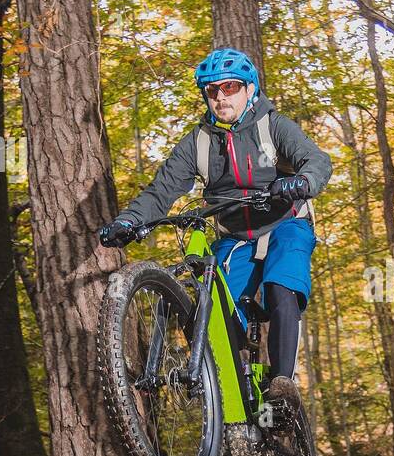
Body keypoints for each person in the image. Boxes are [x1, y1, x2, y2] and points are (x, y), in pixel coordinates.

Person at [98, 48, 330, 407]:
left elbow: (316, 161)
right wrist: (129, 220)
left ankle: (282, 385)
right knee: (214, 313)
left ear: (249, 89)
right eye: (212, 91)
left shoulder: (274, 126)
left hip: (285, 224)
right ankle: (235, 397)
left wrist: (301, 182)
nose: (221, 97)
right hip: (234, 239)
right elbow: (161, 191)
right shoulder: (199, 142)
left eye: (231, 87)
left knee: (283, 286)